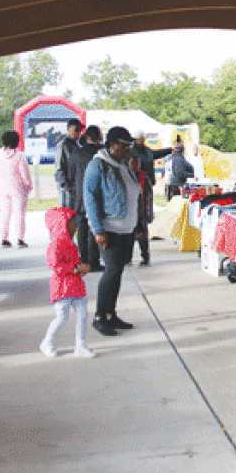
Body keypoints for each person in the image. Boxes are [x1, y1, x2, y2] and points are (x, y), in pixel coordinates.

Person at [83, 126, 140, 337]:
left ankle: (110, 313)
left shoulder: (122, 164)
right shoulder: (97, 165)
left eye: (129, 146)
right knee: (112, 271)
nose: (128, 150)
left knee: (118, 271)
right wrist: (97, 229)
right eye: (124, 146)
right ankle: (99, 317)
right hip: (109, 229)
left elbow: (134, 193)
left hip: (126, 229)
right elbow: (90, 198)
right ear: (112, 145)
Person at [40, 206, 94, 358]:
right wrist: (76, 268)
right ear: (61, 223)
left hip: (75, 285)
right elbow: (55, 265)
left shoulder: (71, 243)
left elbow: (74, 263)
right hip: (62, 287)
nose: (75, 226)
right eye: (72, 222)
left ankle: (81, 345)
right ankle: (47, 342)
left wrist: (81, 268)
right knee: (62, 316)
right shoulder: (56, 244)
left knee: (82, 315)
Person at [128, 130, 171, 266]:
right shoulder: (130, 153)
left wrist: (170, 150)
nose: (143, 140)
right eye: (141, 138)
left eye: (144, 138)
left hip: (145, 196)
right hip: (132, 202)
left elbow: (156, 154)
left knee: (143, 227)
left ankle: (145, 256)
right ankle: (127, 257)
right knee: (130, 229)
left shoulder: (147, 152)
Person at [69, 126, 104, 270]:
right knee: (92, 228)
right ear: (98, 136)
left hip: (78, 197)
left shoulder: (75, 153)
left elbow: (70, 175)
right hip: (95, 196)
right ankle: (93, 261)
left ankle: (83, 260)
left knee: (81, 230)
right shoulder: (100, 154)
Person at [0, 130, 33, 248]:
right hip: (18, 188)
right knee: (19, 214)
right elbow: (25, 174)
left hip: (2, 188)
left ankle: (4, 238)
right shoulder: (19, 156)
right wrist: (29, 186)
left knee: (4, 213)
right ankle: (20, 238)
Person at [54, 119, 85, 207]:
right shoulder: (63, 145)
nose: (78, 133)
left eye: (80, 130)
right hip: (67, 190)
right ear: (69, 129)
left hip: (76, 188)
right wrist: (67, 188)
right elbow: (59, 169)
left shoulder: (76, 145)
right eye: (76, 130)